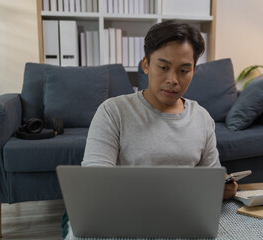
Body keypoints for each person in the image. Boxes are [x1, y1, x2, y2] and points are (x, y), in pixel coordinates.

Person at [81, 20, 238, 199]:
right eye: (163, 67)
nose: (173, 80)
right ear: (146, 65)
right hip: (128, 214)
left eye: (184, 70)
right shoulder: (113, 112)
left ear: (194, 70)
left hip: (186, 216)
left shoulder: (202, 117)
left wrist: (222, 187)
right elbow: (94, 182)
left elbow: (211, 177)